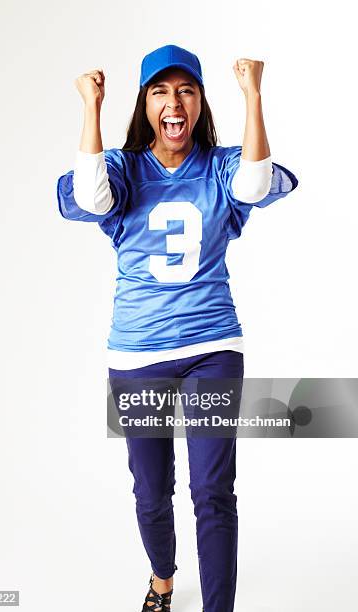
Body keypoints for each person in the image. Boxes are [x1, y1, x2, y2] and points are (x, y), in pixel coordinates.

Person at [57, 44, 298, 612]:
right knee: (150, 493)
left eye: (186, 91)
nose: (174, 103)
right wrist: (90, 108)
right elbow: (90, 198)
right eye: (161, 92)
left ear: (199, 103)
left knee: (212, 493)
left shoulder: (217, 166)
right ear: (144, 105)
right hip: (138, 355)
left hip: (212, 349)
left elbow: (257, 185)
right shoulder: (122, 165)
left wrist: (254, 96)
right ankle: (162, 579)